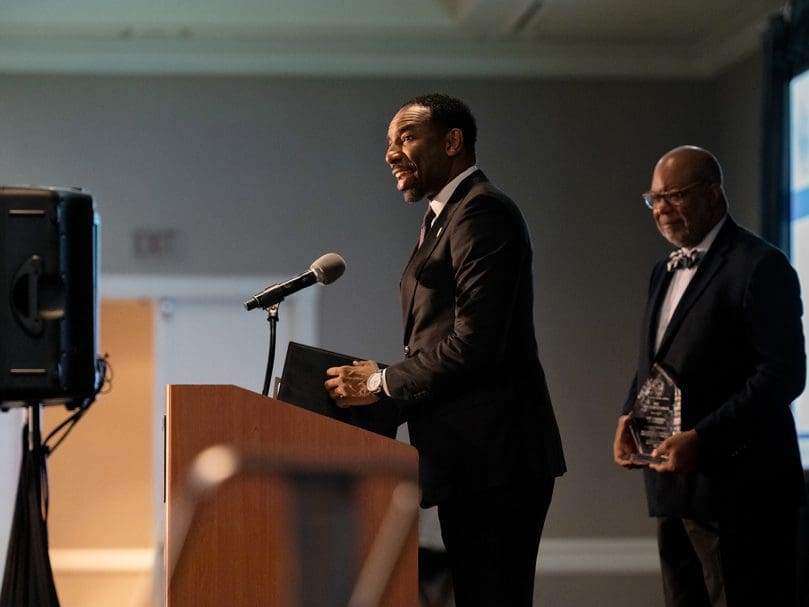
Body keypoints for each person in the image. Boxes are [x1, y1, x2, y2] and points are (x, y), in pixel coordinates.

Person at [325, 93, 566, 606]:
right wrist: (385, 378)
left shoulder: (481, 212)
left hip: (497, 460)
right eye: (389, 143)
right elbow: (439, 339)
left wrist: (380, 382)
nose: (391, 154)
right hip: (468, 460)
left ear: (453, 141)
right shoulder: (445, 217)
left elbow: (476, 344)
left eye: (406, 137)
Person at [613, 145, 807, 606]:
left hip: (743, 496)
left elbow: (783, 375)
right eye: (654, 199)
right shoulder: (663, 270)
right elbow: (659, 361)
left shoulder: (760, 265)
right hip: (672, 487)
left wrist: (705, 437)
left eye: (674, 196)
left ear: (714, 195)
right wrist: (630, 417)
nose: (661, 209)